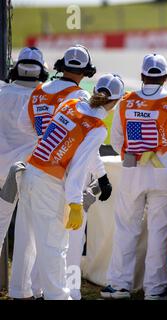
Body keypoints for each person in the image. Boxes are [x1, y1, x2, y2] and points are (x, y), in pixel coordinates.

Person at [8, 45, 111, 300]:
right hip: (61, 173)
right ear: (86, 72)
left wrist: (42, 140)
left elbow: (23, 124)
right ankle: (61, 293)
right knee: (61, 242)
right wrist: (101, 175)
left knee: (26, 236)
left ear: (60, 65)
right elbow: (85, 144)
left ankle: (21, 291)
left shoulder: (39, 91)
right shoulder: (78, 97)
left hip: (35, 163)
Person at [102, 54, 167, 300]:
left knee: (126, 228)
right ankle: (155, 291)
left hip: (132, 172)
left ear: (142, 76)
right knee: (159, 232)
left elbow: (116, 141)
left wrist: (135, 156)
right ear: (165, 77)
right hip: (163, 173)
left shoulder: (126, 102)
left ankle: (119, 285)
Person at [0, 47, 49, 300]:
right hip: (30, 172)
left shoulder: (1, 91)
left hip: (0, 172)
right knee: (28, 234)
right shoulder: (44, 98)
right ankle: (22, 291)